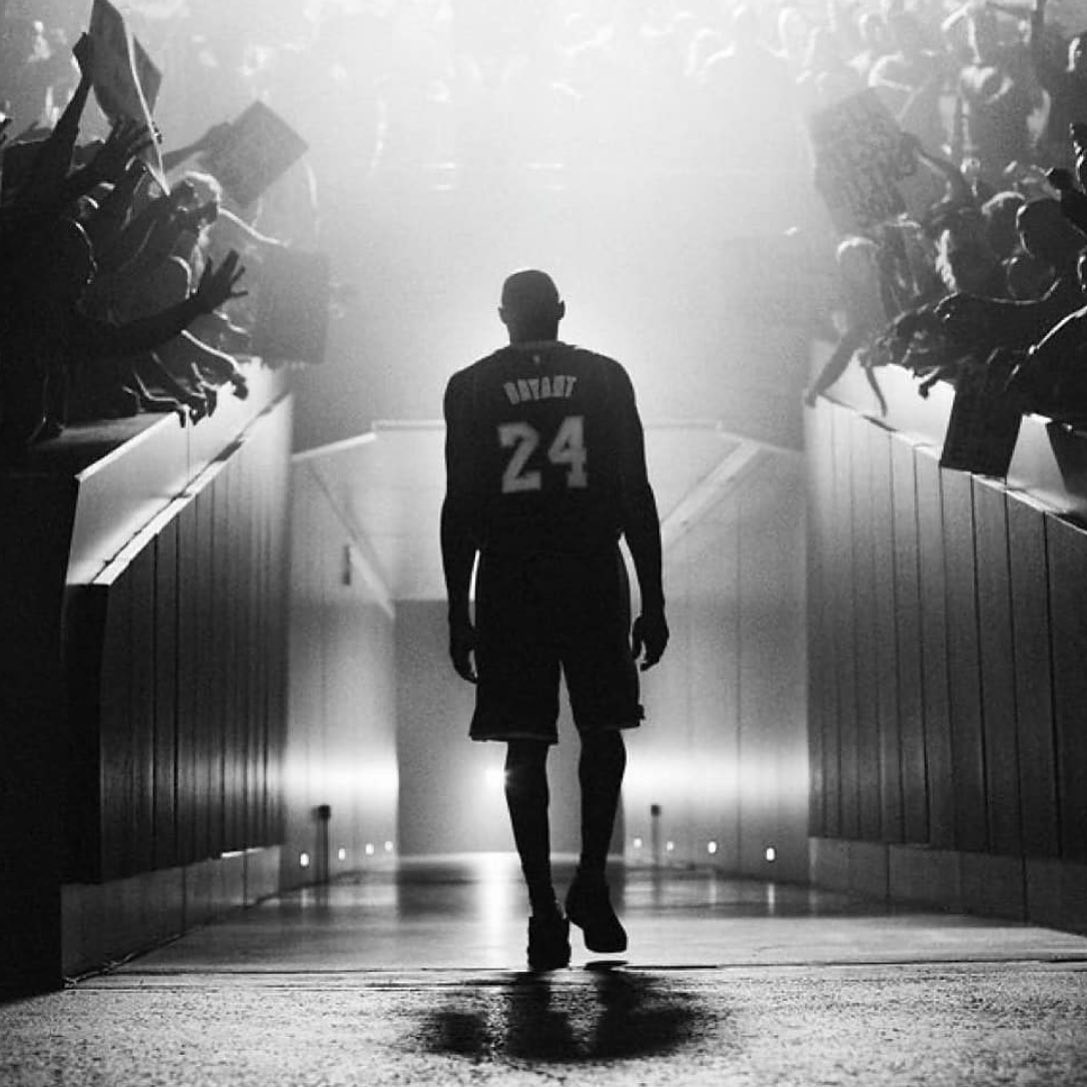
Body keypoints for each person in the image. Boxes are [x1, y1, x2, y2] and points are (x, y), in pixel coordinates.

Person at [440, 269, 668, 972]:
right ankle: (590, 881)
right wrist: (653, 598)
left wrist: (458, 606)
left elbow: (460, 503)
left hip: (511, 577)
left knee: (524, 745)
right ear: (561, 311)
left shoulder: (470, 386)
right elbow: (634, 490)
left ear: (502, 314)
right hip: (591, 568)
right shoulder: (604, 377)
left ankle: (543, 910)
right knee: (603, 730)